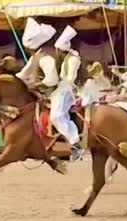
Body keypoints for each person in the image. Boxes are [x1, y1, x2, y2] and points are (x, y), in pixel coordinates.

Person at [51, 25, 83, 161]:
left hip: (66, 90)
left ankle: (75, 143)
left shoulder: (74, 59)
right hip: (60, 88)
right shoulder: (65, 59)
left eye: (57, 50)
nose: (56, 52)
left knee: (56, 117)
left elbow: (70, 78)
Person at [15, 17, 58, 99]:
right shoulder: (36, 56)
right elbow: (23, 74)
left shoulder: (46, 58)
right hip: (39, 95)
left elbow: (52, 80)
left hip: (50, 96)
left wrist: (34, 84)